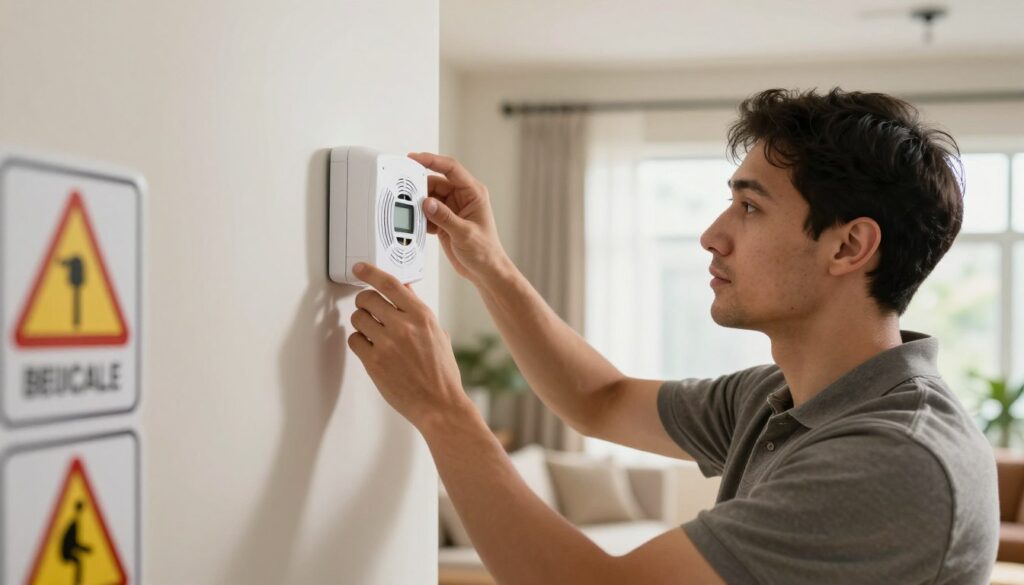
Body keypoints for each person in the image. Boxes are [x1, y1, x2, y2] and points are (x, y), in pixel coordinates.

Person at [346, 88, 999, 584]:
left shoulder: (894, 459)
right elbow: (599, 398)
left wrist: (443, 410)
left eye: (750, 206)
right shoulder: (786, 394)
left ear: (849, 245)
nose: (713, 234)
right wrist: (490, 264)